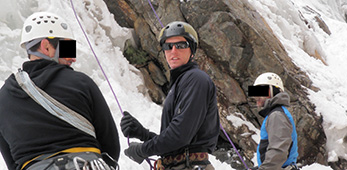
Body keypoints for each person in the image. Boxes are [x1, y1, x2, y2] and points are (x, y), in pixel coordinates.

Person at [0, 12, 120, 170]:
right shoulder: (81, 82)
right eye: (68, 48)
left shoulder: (4, 97)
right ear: (46, 46)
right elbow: (111, 147)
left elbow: (12, 163)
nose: (73, 58)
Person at [120, 21, 220, 170]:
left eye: (180, 45)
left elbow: (180, 135)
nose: (173, 51)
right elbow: (179, 144)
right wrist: (143, 134)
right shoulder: (182, 82)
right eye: (168, 46)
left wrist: (143, 150)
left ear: (192, 49)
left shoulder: (196, 79)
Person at [248, 72, 298, 170]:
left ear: (271, 91)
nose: (257, 104)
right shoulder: (277, 113)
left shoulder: (277, 115)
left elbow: (278, 151)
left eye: (259, 96)